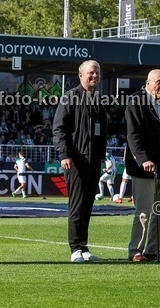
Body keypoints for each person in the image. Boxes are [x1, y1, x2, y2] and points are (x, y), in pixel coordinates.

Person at [53, 60, 109, 263]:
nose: (94, 76)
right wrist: (64, 154)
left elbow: (101, 131)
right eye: (91, 73)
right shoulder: (70, 98)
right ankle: (75, 248)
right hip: (76, 160)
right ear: (81, 75)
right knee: (76, 205)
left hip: (94, 161)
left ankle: (84, 247)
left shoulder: (98, 100)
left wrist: (101, 157)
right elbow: (59, 129)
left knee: (87, 205)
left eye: (97, 74)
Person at [125, 69, 160, 262]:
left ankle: (153, 250)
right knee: (144, 210)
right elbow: (133, 134)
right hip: (143, 167)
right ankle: (135, 251)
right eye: (159, 82)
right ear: (148, 82)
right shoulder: (135, 101)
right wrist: (142, 158)